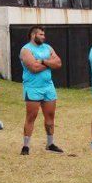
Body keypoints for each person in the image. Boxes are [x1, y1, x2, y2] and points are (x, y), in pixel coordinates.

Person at [19, 25, 63, 155]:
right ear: (33, 35)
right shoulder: (26, 50)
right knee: (31, 117)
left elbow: (58, 63)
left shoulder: (48, 48)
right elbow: (34, 68)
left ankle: (50, 144)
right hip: (33, 88)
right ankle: (26, 146)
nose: (44, 37)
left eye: (44, 34)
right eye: (41, 34)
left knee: (50, 116)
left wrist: (43, 61)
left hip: (48, 87)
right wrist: (50, 64)